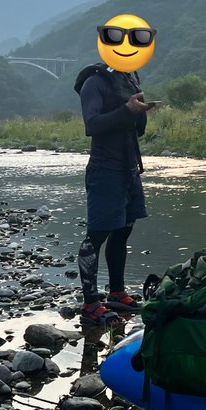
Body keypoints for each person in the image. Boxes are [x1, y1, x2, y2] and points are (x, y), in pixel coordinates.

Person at [73, 60, 155, 326]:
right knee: (96, 236)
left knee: (123, 230)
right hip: (104, 170)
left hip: (129, 169)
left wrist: (139, 112)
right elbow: (92, 125)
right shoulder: (94, 82)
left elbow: (137, 130)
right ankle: (90, 305)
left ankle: (117, 293)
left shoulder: (130, 78)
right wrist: (126, 109)